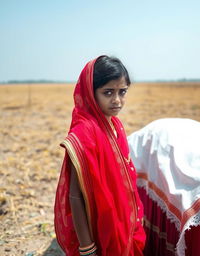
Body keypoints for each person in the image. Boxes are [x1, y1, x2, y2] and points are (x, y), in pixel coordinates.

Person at [54, 56, 146, 256]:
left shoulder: (115, 125)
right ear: (90, 93)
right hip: (98, 231)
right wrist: (87, 248)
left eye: (122, 92)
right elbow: (75, 196)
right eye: (108, 92)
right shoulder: (83, 133)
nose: (117, 100)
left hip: (120, 224)